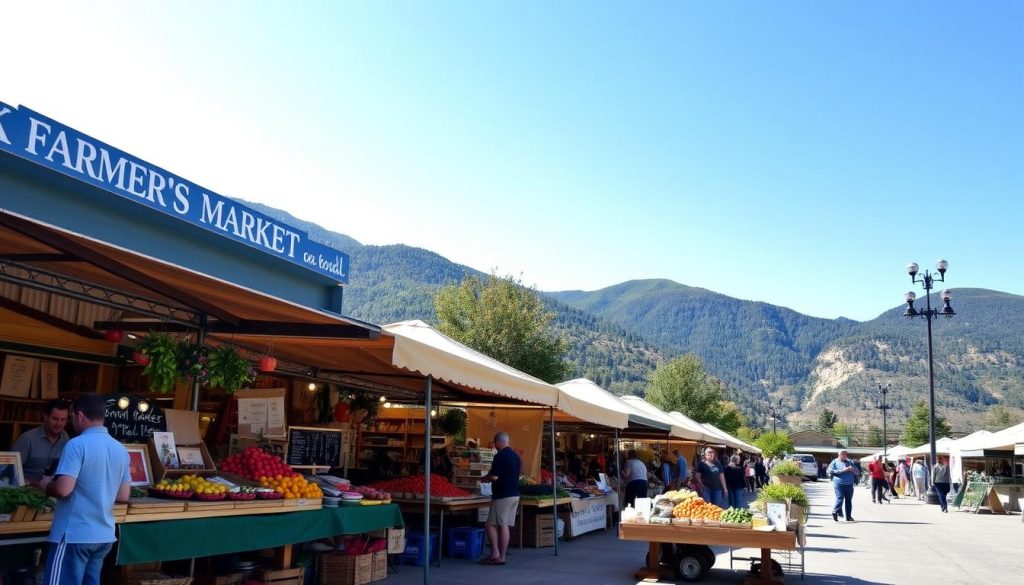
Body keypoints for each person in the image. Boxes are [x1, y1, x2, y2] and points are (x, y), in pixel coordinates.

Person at [38, 394, 130, 585]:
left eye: (71, 416)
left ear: (80, 416)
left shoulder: (76, 445)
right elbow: (123, 495)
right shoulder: (121, 449)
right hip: (104, 535)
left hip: (74, 533)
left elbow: (63, 490)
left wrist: (46, 484)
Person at [480, 431, 521, 566]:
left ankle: (496, 554)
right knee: (505, 525)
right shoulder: (515, 456)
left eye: (495, 443)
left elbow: (494, 476)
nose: (494, 446)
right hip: (515, 494)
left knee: (491, 525)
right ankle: (501, 556)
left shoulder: (500, 456)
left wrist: (485, 478)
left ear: (498, 442)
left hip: (502, 496)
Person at [12, 399, 70, 483]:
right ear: (45, 417)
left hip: (55, 491)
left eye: (63, 419)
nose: (59, 424)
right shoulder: (27, 439)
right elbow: (11, 472)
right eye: (55, 419)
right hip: (29, 490)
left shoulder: (66, 439)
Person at [827, 449, 857, 522]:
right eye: (843, 454)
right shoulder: (834, 462)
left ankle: (848, 516)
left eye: (845, 454)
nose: (844, 455)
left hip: (849, 484)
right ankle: (835, 511)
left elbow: (857, 472)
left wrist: (852, 470)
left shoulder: (850, 462)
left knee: (848, 500)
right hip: (839, 484)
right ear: (839, 455)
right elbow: (829, 471)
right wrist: (843, 470)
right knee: (840, 498)